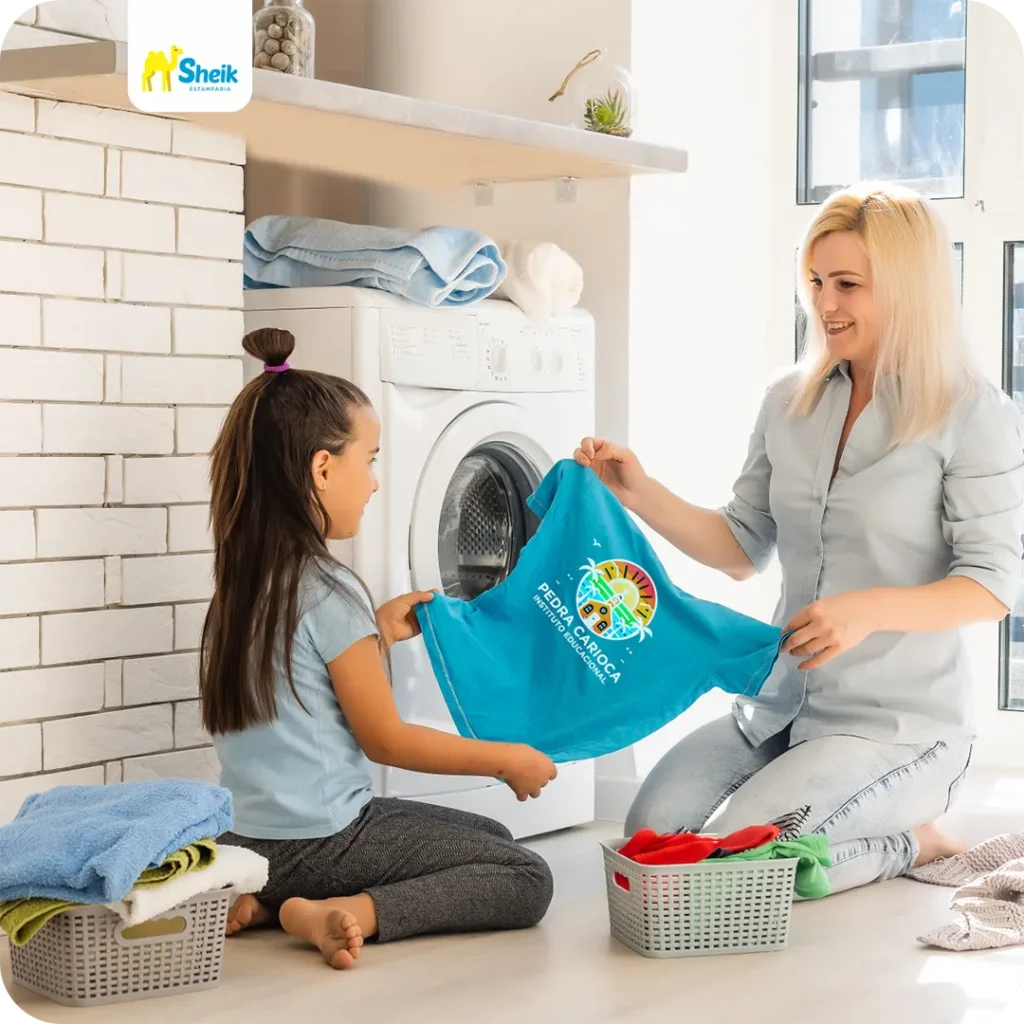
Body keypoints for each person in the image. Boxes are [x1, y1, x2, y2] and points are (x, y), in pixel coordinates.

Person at [575, 182, 1024, 896]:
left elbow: (994, 586)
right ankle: (871, 833)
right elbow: (741, 544)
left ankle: (910, 842)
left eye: (847, 284)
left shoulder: (972, 413)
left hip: (897, 729)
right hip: (777, 705)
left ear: (907, 289)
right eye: (815, 281)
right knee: (645, 843)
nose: (824, 303)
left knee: (737, 867)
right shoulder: (790, 399)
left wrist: (866, 609)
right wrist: (639, 492)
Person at [200, 326, 557, 968]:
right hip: (330, 838)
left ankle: (267, 895)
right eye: (369, 460)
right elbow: (385, 740)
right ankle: (337, 911)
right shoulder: (329, 587)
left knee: (490, 837)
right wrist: (505, 759)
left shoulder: (244, 585)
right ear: (322, 467)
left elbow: (301, 687)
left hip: (251, 838)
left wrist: (377, 633)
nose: (374, 482)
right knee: (526, 876)